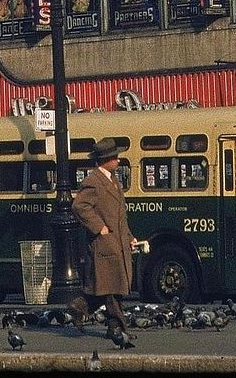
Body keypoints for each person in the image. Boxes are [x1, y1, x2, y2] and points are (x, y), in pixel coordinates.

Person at [67, 137, 138, 340]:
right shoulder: (93, 181)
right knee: (112, 289)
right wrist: (99, 228)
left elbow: (120, 216)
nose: (117, 160)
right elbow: (79, 206)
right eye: (114, 157)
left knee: (112, 288)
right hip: (105, 244)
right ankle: (120, 329)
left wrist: (129, 237)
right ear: (105, 159)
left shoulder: (113, 179)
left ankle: (81, 308)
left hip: (117, 242)